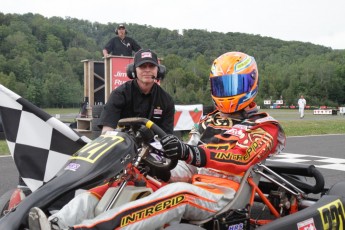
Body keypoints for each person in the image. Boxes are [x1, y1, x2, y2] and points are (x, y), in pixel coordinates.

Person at [28, 51, 285, 230]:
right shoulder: (208, 120)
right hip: (195, 183)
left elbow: (241, 157)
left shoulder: (265, 125)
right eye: (221, 86)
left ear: (250, 84)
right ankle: (58, 223)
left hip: (225, 193)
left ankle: (87, 229)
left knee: (178, 194)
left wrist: (192, 154)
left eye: (233, 85)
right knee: (127, 178)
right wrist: (155, 167)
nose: (226, 93)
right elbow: (189, 165)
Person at [99, 49, 175, 135]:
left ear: (159, 70)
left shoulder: (166, 100)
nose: (147, 70)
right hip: (123, 144)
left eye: (151, 66)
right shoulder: (119, 94)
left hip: (153, 146)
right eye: (142, 66)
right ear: (134, 70)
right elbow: (106, 132)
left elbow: (167, 136)